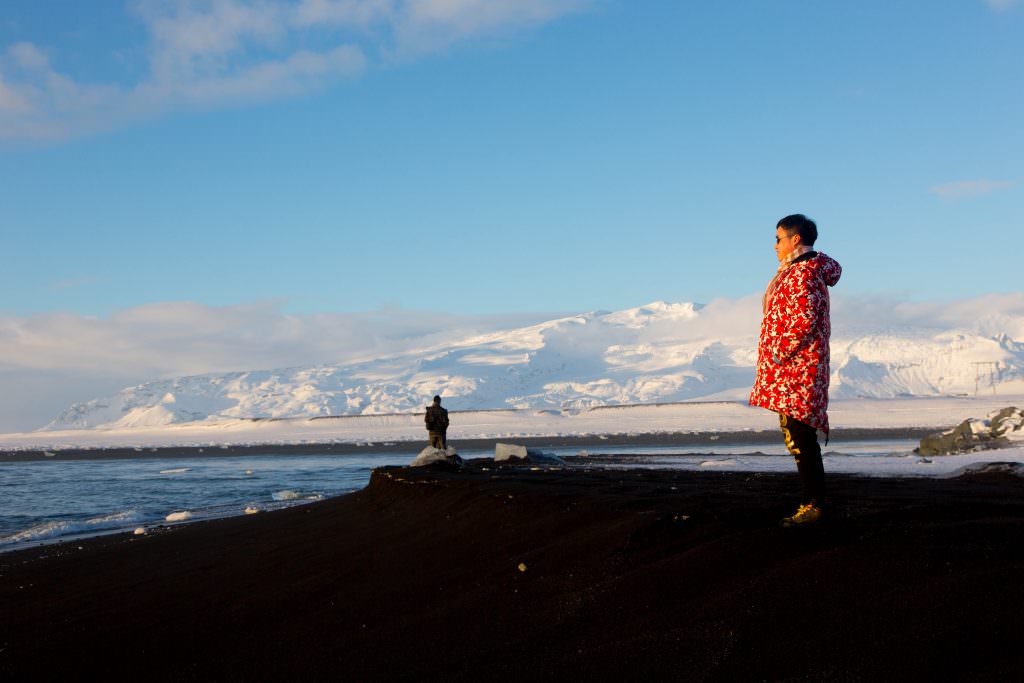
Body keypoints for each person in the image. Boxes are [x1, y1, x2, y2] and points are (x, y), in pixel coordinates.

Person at [749, 214, 842, 526]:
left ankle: (813, 505)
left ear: (795, 240)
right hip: (793, 371)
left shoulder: (802, 274)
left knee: (800, 437)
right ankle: (812, 503)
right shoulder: (795, 272)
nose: (774, 245)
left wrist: (779, 352)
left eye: (778, 238)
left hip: (798, 370)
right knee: (797, 435)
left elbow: (805, 318)